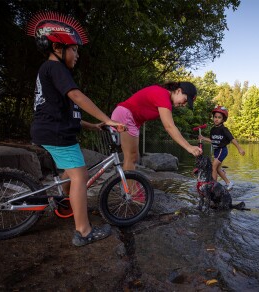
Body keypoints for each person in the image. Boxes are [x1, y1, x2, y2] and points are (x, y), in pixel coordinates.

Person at [27, 12, 125, 246]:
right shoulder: (55, 68)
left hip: (51, 129)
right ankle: (83, 231)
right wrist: (108, 119)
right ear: (58, 47)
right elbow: (77, 96)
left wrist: (94, 125)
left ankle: (62, 200)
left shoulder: (49, 70)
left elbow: (65, 111)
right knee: (80, 175)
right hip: (55, 133)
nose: (77, 55)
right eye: (74, 49)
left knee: (71, 172)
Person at [111, 82, 203, 180]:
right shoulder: (163, 96)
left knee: (134, 157)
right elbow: (169, 126)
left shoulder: (164, 96)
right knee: (131, 157)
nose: (184, 105)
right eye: (185, 100)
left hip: (131, 120)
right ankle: (129, 192)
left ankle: (130, 187)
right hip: (125, 116)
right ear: (178, 91)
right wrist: (189, 147)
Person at [198, 106, 245, 190]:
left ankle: (213, 186)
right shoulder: (212, 129)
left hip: (222, 150)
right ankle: (229, 183)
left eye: (219, 118)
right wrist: (203, 138)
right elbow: (213, 140)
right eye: (215, 117)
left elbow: (232, 139)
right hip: (216, 151)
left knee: (213, 166)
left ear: (223, 120)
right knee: (218, 169)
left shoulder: (224, 129)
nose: (216, 119)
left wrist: (239, 148)